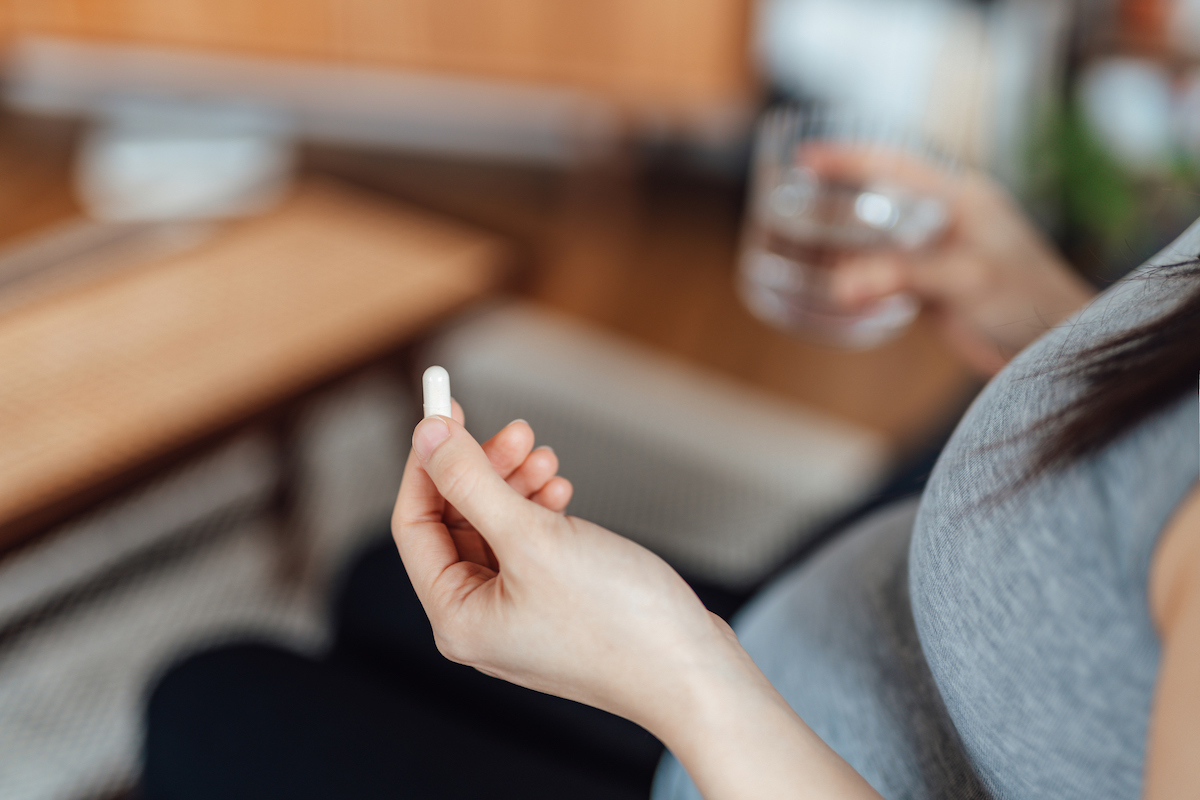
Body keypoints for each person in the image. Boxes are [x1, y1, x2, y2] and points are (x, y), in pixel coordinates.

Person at [142, 149, 1200, 799]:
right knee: (378, 585)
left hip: (757, 748)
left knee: (204, 696)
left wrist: (678, 674)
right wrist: (1063, 331)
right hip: (838, 651)